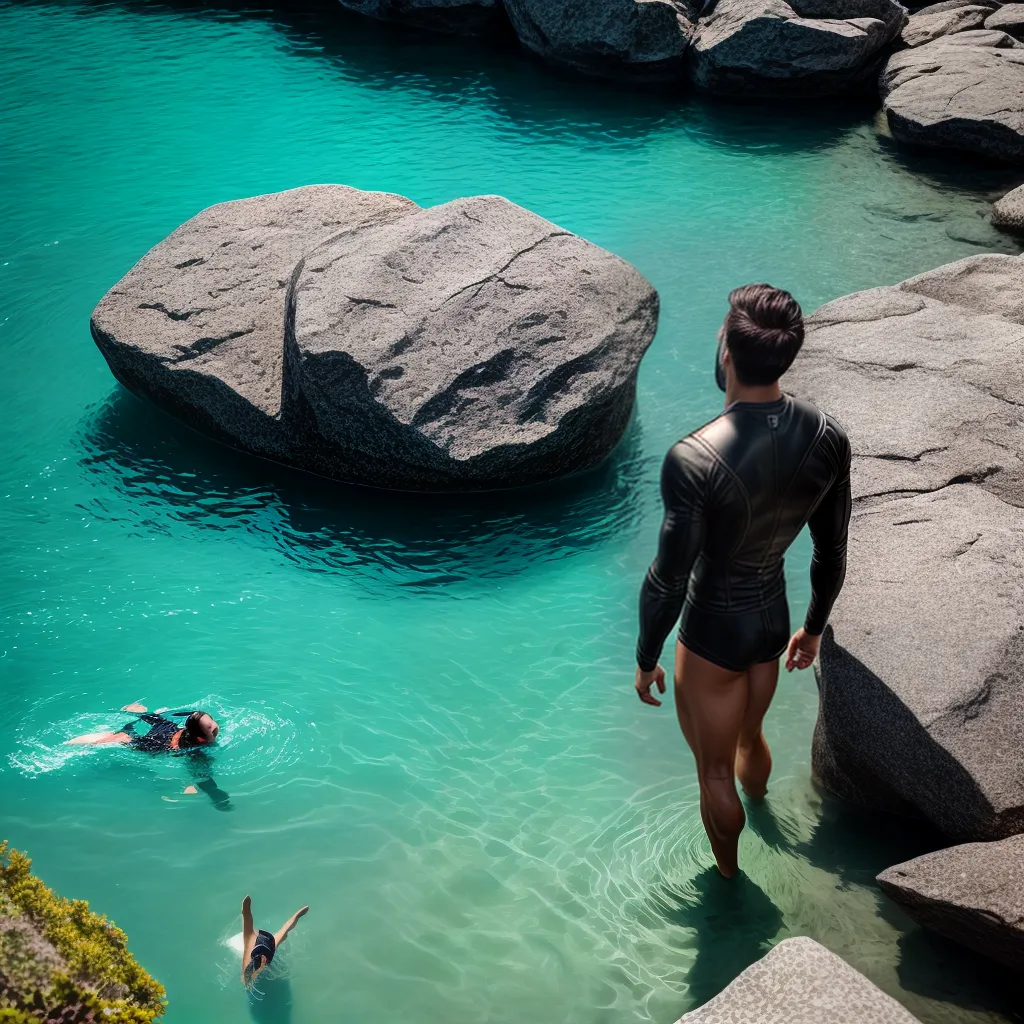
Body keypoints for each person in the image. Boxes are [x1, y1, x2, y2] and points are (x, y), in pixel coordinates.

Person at [634, 283, 851, 879]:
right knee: (751, 736)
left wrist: (647, 655)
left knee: (712, 772)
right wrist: (811, 629)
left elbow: (668, 578)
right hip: (773, 622)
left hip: (712, 636)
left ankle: (729, 881)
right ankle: (764, 816)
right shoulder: (828, 435)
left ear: (726, 351)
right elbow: (831, 550)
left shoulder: (694, 458)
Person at [68, 704, 231, 809]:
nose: (217, 727)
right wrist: (217, 797)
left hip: (170, 728)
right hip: (162, 743)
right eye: (213, 728)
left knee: (158, 720)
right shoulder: (197, 751)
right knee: (132, 742)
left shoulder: (194, 730)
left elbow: (191, 717)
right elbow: (203, 776)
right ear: (201, 738)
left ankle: (140, 712)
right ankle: (120, 737)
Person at [241, 895, 309, 987]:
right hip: (266, 946)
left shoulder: (249, 949)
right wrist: (246, 908)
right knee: (248, 922)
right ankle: (246, 906)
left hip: (268, 946)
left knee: (284, 931)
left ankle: (297, 916)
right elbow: (247, 918)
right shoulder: (250, 941)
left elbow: (247, 982)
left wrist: (261, 968)